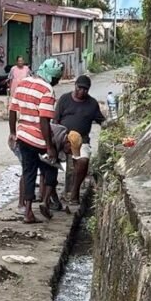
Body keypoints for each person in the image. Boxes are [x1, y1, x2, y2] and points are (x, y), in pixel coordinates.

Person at [9, 58, 64, 223]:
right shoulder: (47, 89)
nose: (57, 81)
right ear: (52, 77)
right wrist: (49, 147)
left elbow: (12, 110)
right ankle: (46, 203)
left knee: (28, 173)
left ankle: (28, 212)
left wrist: (13, 132)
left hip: (22, 136)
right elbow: (44, 120)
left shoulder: (23, 83)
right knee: (51, 169)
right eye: (57, 78)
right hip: (38, 139)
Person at [54, 74, 105, 205]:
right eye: (79, 88)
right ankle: (50, 197)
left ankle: (74, 192)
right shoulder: (65, 99)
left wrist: (111, 127)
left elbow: (101, 121)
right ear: (75, 86)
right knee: (48, 163)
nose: (81, 92)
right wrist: (60, 141)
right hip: (63, 138)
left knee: (82, 161)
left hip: (82, 139)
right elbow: (55, 122)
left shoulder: (92, 104)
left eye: (85, 89)